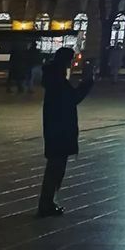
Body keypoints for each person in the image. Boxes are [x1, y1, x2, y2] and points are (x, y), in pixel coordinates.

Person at [39, 46, 94, 216]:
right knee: (56, 167)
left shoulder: (53, 80)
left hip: (54, 128)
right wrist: (87, 82)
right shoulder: (58, 82)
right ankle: (47, 202)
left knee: (55, 166)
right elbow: (72, 99)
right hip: (60, 129)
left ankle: (48, 201)